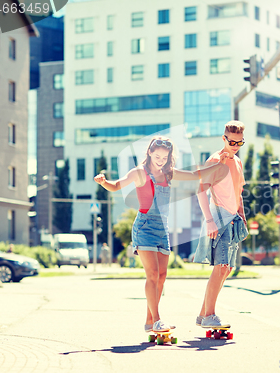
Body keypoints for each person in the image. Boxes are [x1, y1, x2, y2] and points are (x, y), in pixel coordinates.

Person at [94, 136, 228, 333]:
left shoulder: (169, 174)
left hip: (162, 228)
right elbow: (116, 186)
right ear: (149, 152)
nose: (161, 160)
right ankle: (157, 319)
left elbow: (194, 174)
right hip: (145, 227)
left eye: (165, 157)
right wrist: (103, 182)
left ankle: (150, 321)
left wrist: (217, 166)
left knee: (162, 276)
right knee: (153, 275)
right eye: (157, 156)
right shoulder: (139, 173)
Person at [194, 121, 249, 329]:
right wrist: (209, 220)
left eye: (239, 142)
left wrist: (242, 217)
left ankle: (202, 315)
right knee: (221, 266)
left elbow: (238, 192)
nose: (235, 145)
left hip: (233, 218)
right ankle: (210, 315)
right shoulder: (216, 160)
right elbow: (201, 190)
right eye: (231, 141)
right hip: (218, 216)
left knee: (227, 269)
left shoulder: (237, 162)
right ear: (224, 138)